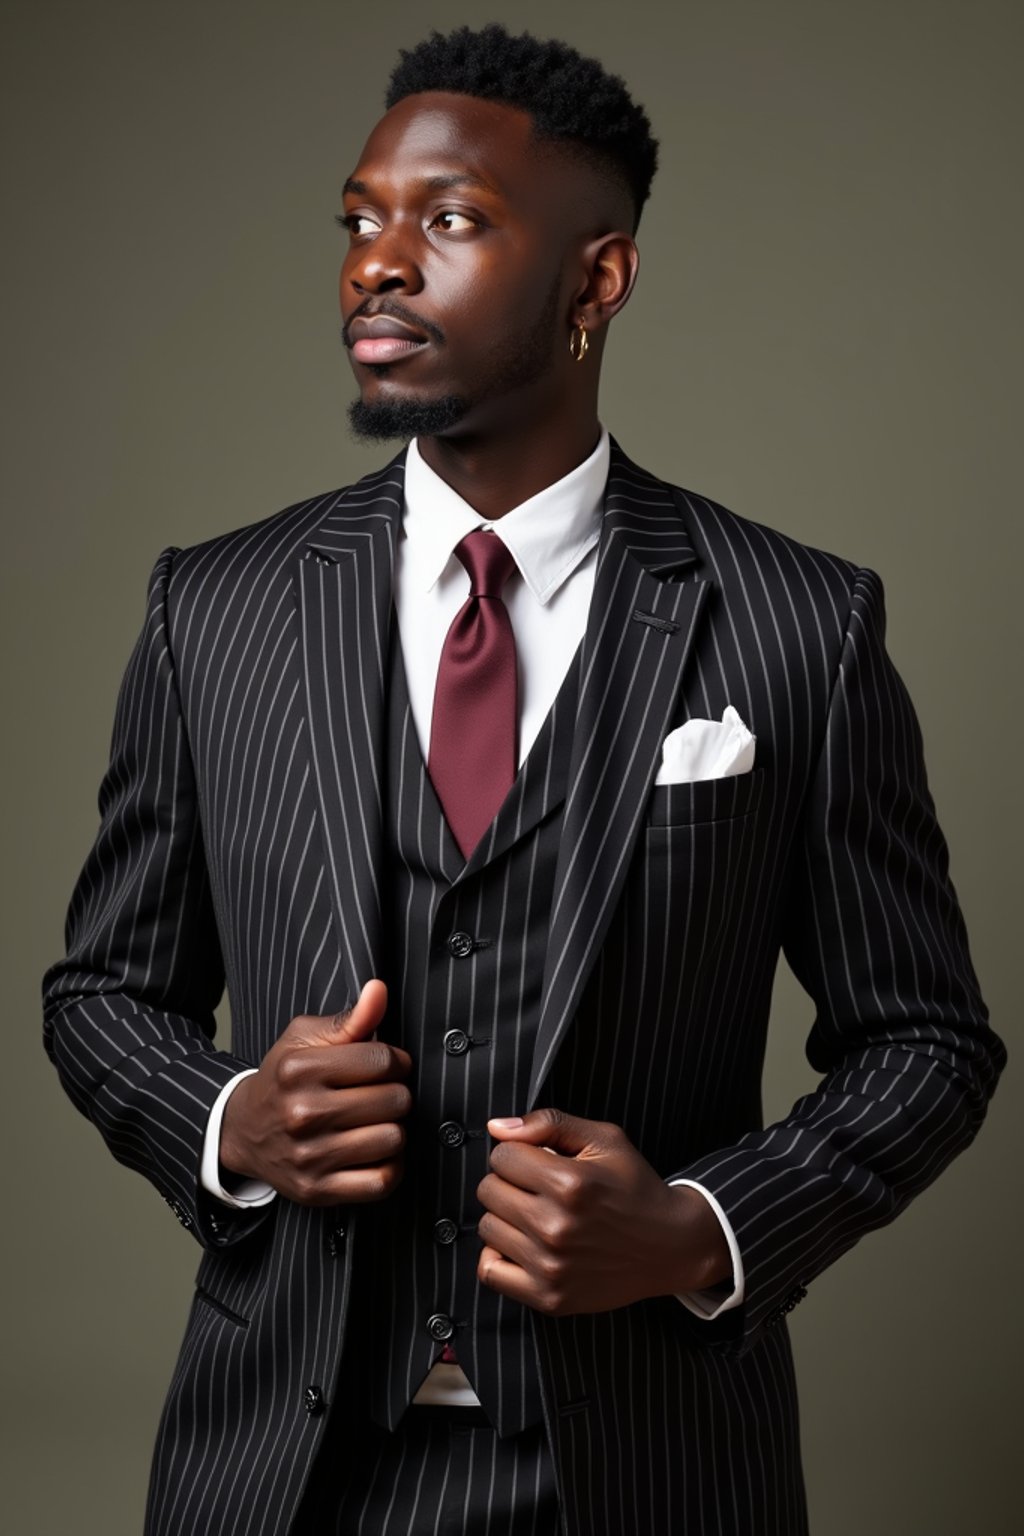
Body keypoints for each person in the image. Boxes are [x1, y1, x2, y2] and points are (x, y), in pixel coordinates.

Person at [42, 22, 1005, 1536]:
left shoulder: (798, 622)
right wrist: (231, 1120)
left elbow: (930, 1043)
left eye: (450, 221)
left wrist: (699, 1229)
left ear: (596, 280)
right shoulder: (212, 609)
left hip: (646, 1470)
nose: (376, 261)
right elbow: (99, 991)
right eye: (361, 220)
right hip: (280, 1470)